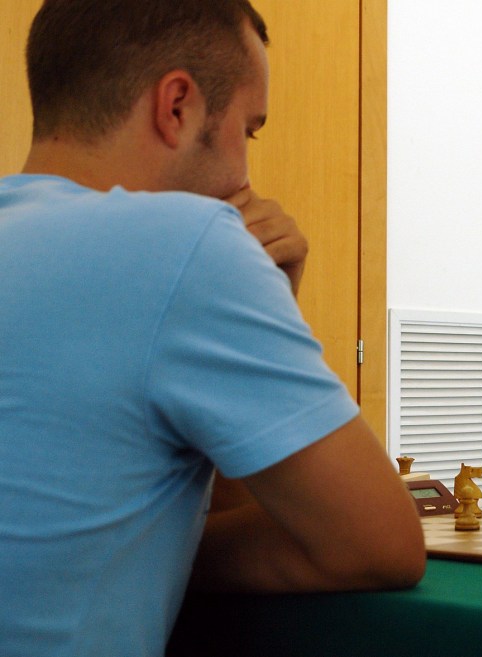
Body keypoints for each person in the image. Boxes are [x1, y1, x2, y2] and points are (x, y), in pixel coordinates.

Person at [0, 1, 425, 655]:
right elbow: (379, 543)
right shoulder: (184, 242)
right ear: (176, 106)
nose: (245, 177)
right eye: (249, 132)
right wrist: (164, 549)